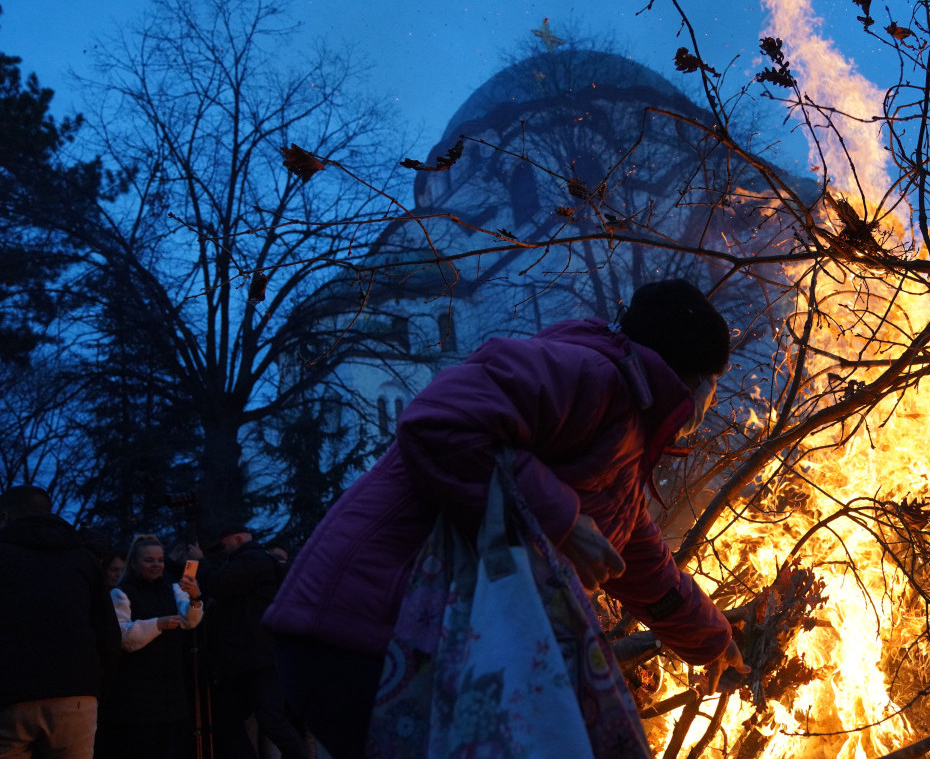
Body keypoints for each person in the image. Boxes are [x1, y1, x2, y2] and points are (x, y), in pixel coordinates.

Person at [264, 278, 750, 758]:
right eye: (716, 383)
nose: (713, 399)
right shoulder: (588, 374)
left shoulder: (623, 438)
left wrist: (713, 640)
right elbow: (437, 421)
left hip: (408, 641)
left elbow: (643, 567)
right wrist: (559, 520)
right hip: (364, 629)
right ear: (692, 377)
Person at [0, 485, 121, 759]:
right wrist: (95, 687)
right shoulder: (82, 559)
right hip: (76, 693)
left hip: (11, 694)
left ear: (6, 516)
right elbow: (109, 635)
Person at [193, 526, 308, 759]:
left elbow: (219, 584)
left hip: (257, 660)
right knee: (229, 723)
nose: (222, 552)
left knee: (270, 721)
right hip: (248, 660)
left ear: (237, 539)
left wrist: (198, 562)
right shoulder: (252, 561)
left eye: (223, 546)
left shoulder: (253, 560)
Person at [95, 535, 204, 759]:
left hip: (172, 690)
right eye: (149, 561)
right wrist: (157, 624)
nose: (157, 565)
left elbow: (190, 619)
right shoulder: (121, 593)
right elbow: (122, 637)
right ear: (134, 563)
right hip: (136, 695)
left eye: (160, 560)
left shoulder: (172, 588)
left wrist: (195, 598)